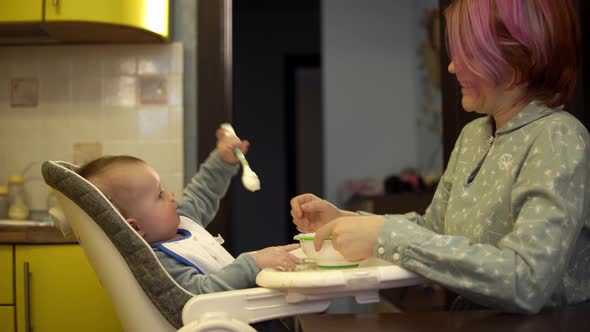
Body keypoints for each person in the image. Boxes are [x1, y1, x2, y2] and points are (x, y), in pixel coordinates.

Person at [291, 0, 589, 314]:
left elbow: (526, 279)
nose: (452, 66)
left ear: (519, 56)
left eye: (469, 53)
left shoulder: (558, 138)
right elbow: (433, 230)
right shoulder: (473, 136)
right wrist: (345, 220)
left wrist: (384, 236)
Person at [78, 128, 301, 295]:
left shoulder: (184, 221)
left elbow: (202, 192)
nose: (171, 195)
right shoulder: (161, 264)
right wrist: (253, 263)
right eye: (159, 195)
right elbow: (201, 293)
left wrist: (223, 162)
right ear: (135, 227)